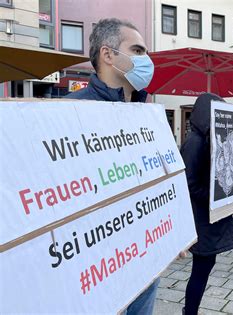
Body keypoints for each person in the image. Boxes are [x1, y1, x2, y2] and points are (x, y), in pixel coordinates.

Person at [65, 18, 158, 315]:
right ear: (108, 55)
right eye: (138, 50)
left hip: (146, 258)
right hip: (97, 268)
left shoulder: (149, 116)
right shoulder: (68, 112)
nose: (147, 60)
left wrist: (173, 232)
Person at [180, 93, 233, 315]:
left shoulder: (206, 138)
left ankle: (191, 309)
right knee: (201, 267)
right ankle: (190, 311)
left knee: (206, 266)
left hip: (210, 214)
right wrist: (218, 197)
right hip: (201, 216)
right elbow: (190, 184)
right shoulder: (194, 142)